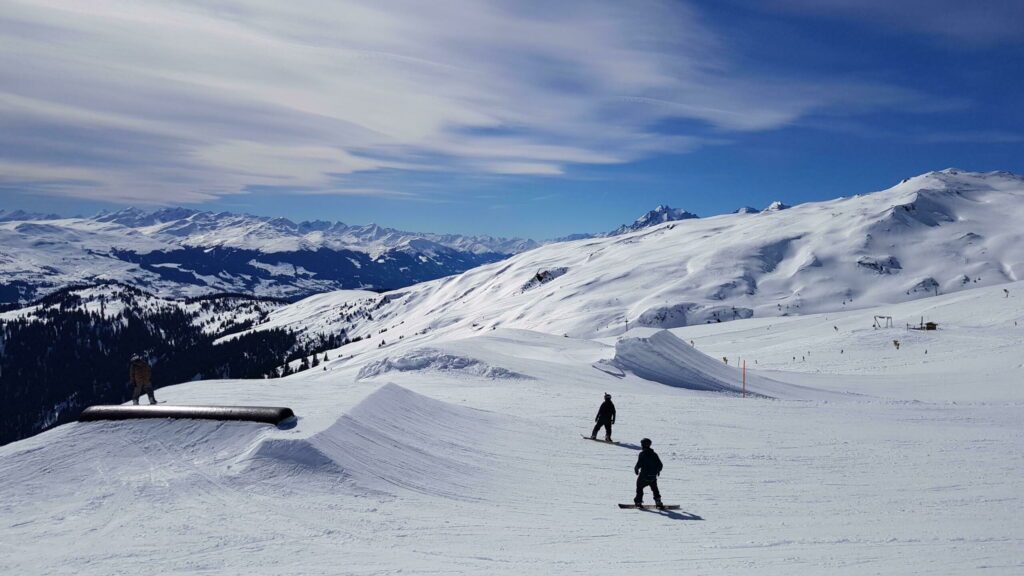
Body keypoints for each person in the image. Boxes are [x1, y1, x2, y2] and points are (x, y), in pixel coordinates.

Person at [634, 437, 664, 508]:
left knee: (639, 487)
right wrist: (657, 471)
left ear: (643, 445)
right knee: (655, 489)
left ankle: (638, 502)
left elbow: (639, 463)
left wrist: (636, 469)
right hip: (652, 477)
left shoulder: (642, 454)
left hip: (644, 476)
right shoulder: (654, 454)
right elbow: (660, 465)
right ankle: (658, 502)